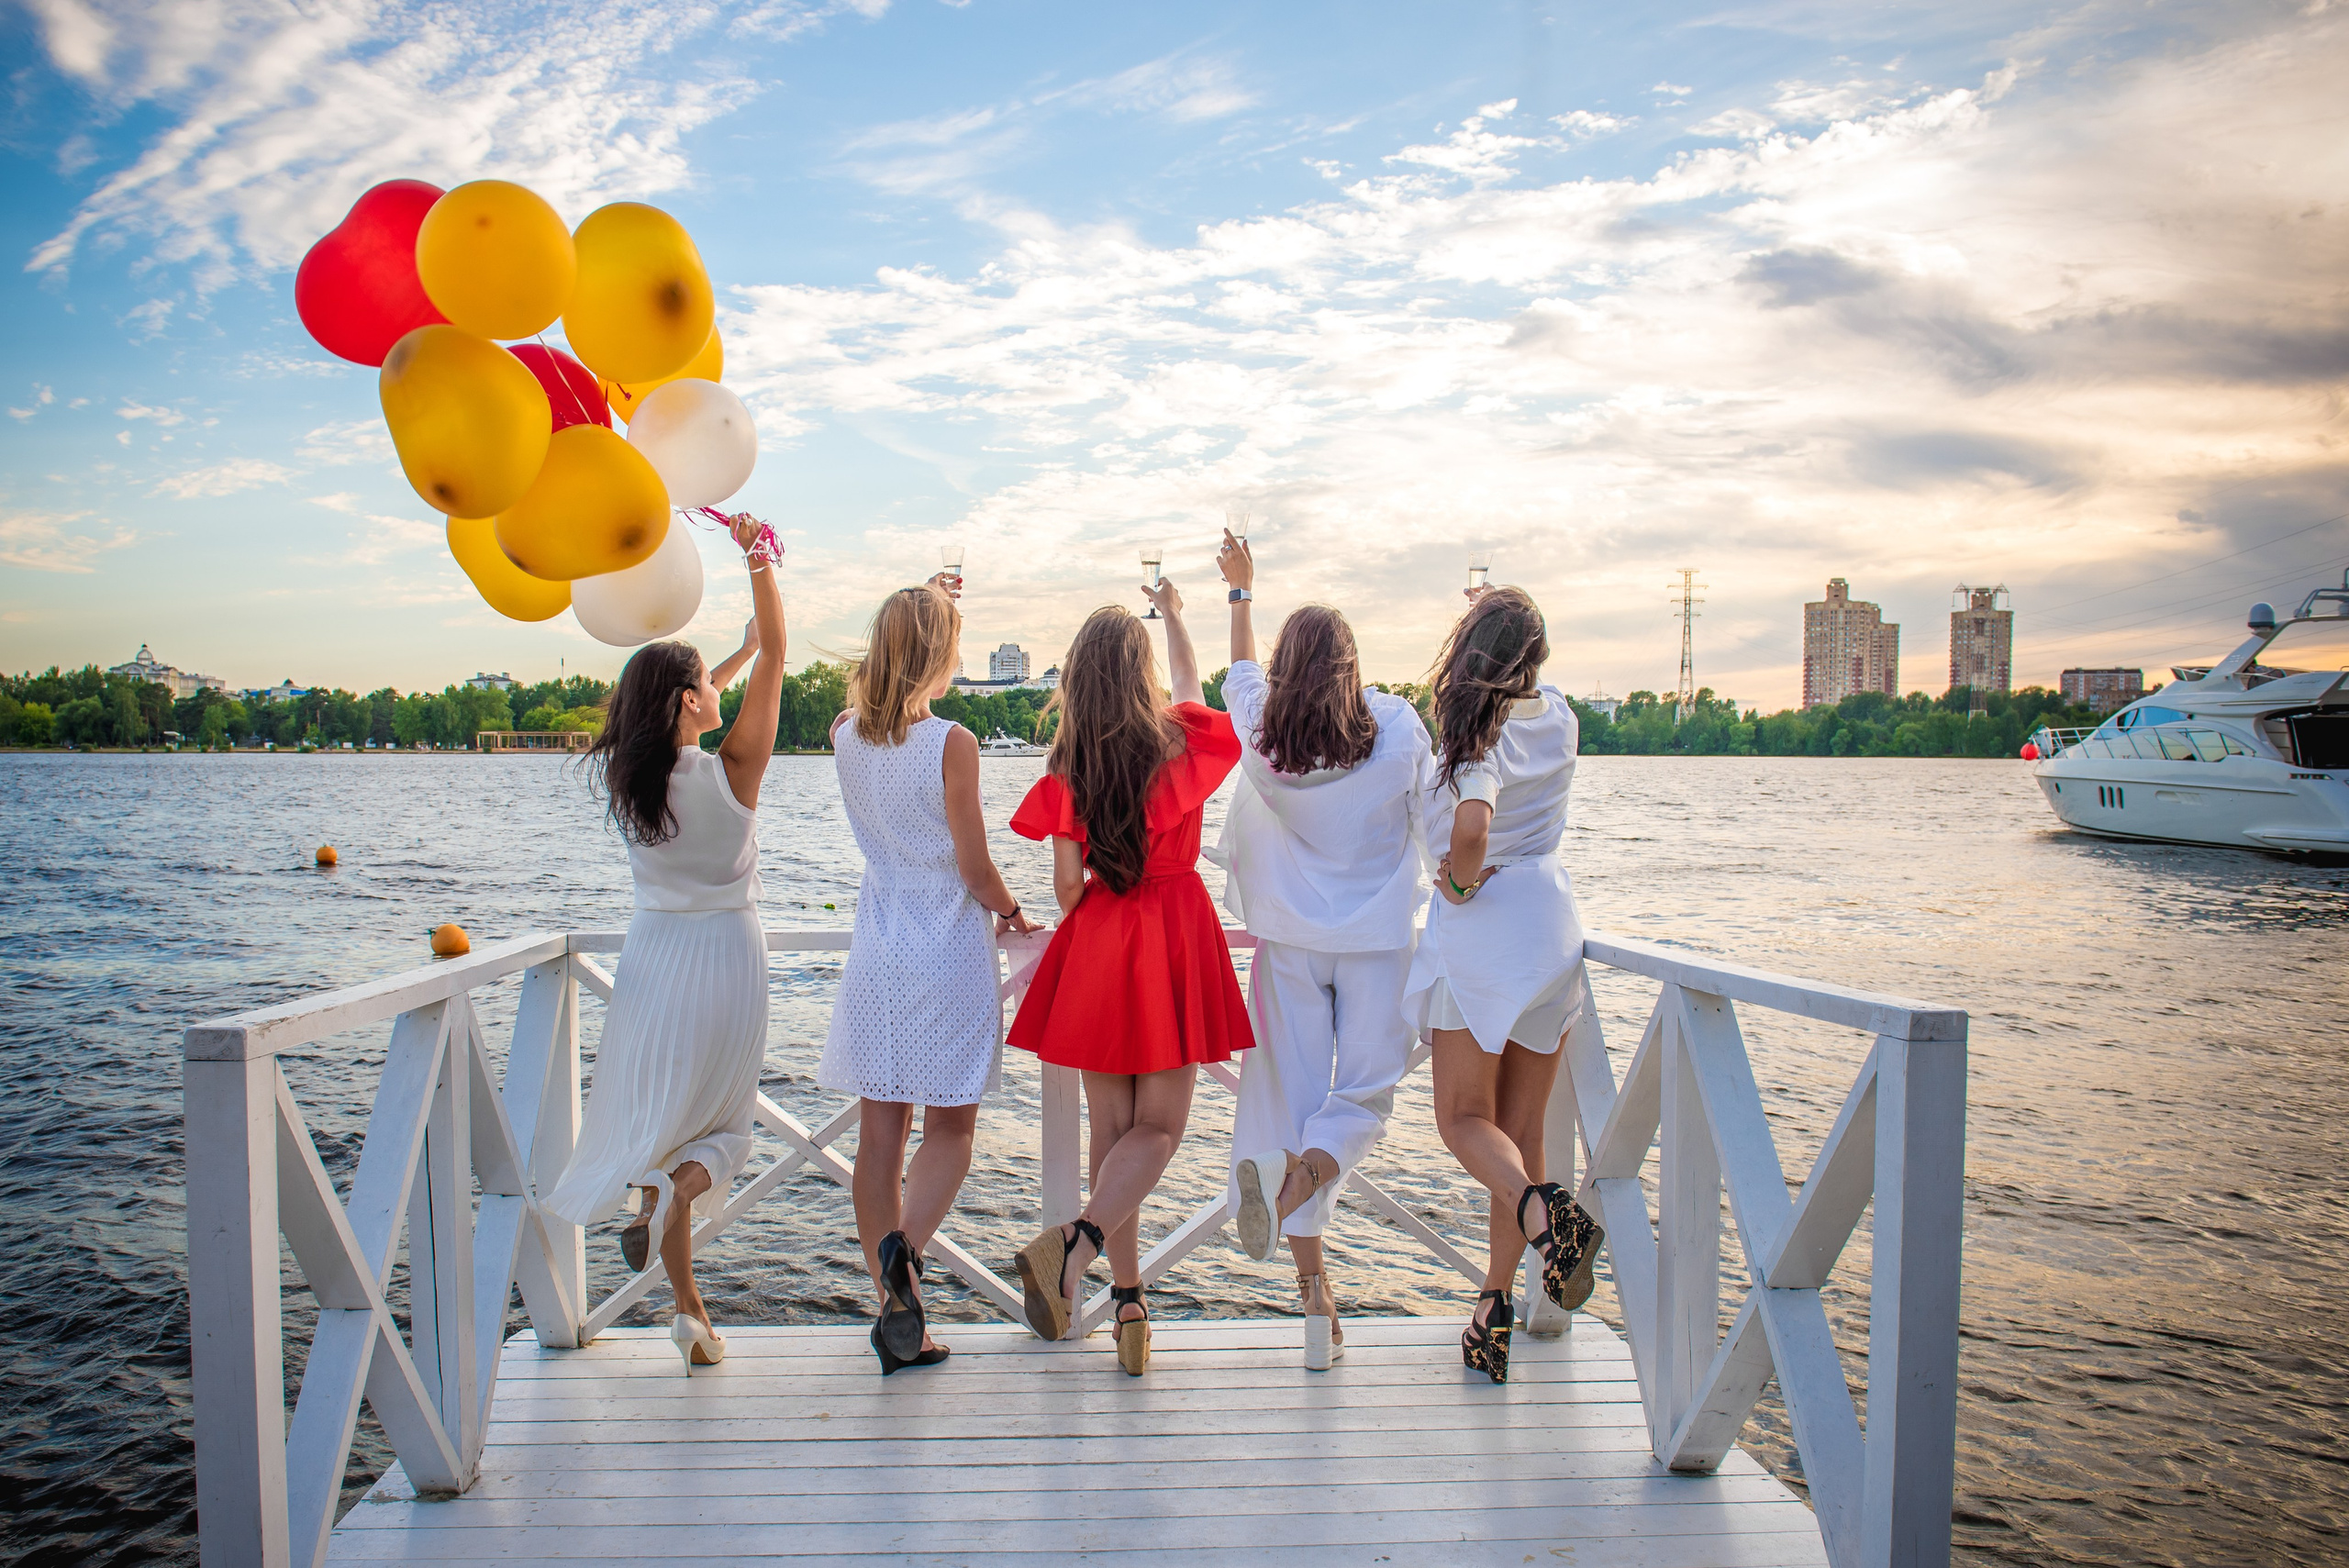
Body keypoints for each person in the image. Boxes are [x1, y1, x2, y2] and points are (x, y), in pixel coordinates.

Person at [544, 513, 787, 1377]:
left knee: (666, 1128)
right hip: (726, 958)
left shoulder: (633, 780)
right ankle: (674, 1210)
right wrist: (760, 561)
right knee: (723, 1133)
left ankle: (688, 1308)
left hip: (652, 961)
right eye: (704, 685)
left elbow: (706, 685)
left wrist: (734, 652)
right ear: (689, 702)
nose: (716, 690)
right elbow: (780, 659)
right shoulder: (733, 774)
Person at [1005, 578, 1252, 1375]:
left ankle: (1130, 1298)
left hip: (1102, 941)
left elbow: (1066, 889)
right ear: (1138, 672)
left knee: (1112, 1137)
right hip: (1173, 931)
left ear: (1077, 680)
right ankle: (1080, 1248)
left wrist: (1101, 891)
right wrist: (1176, 616)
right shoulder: (1181, 739)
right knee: (1161, 1131)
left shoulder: (1070, 766)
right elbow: (1190, 683)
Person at [1205, 530, 1432, 1371]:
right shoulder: (1398, 728)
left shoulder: (1264, 738)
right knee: (1363, 1096)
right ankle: (1303, 1174)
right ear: (1352, 668)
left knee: (1285, 1100)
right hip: (1376, 943)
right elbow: (1435, 818)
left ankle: (1313, 1296)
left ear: (1286, 672)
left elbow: (1239, 673)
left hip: (1290, 945)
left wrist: (1241, 591)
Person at [818, 574, 1038, 1375]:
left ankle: (893, 1304)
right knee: (951, 1129)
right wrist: (1014, 909)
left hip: (878, 947)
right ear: (938, 656)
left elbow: (868, 709)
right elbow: (974, 867)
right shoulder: (953, 742)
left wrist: (928, 602)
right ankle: (905, 1255)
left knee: (879, 1137)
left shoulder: (844, 734)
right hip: (944, 946)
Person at [1403, 585, 1604, 1385]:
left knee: (1463, 1120)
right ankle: (1494, 1306)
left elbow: (1474, 826)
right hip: (1552, 929)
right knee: (1521, 1136)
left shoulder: (1478, 733)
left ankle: (1549, 1225)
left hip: (1486, 929)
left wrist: (1455, 885)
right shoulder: (1562, 717)